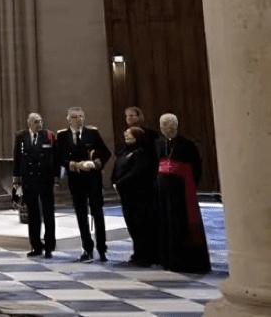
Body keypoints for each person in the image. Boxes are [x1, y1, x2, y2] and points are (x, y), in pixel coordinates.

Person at [155, 113, 211, 274]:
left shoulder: (187, 145)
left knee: (183, 224)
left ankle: (185, 261)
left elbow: (196, 169)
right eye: (165, 124)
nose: (169, 127)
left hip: (182, 194)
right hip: (164, 195)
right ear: (161, 127)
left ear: (177, 125)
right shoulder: (159, 144)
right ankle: (168, 260)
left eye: (172, 124)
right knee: (166, 225)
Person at [55, 106, 112, 262]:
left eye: (81, 117)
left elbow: (106, 152)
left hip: (93, 179)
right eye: (75, 117)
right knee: (81, 214)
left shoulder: (92, 133)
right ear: (68, 119)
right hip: (76, 180)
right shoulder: (62, 136)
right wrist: (74, 164)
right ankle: (87, 248)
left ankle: (102, 248)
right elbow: (58, 157)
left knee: (98, 213)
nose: (78, 120)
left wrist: (96, 163)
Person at [110, 127, 158, 266]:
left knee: (141, 224)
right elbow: (117, 167)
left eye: (130, 137)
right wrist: (114, 181)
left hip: (139, 194)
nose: (127, 139)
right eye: (126, 137)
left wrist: (120, 182)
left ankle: (147, 255)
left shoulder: (142, 153)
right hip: (126, 194)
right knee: (132, 225)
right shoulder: (124, 152)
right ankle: (138, 253)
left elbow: (137, 171)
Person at [12, 112, 57, 258]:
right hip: (29, 181)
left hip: (45, 180)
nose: (40, 124)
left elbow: (54, 157)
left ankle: (49, 245)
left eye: (41, 121)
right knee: (33, 214)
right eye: (36, 121)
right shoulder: (21, 136)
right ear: (29, 123)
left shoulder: (48, 135)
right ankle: (35, 245)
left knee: (48, 213)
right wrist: (16, 181)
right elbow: (17, 158)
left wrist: (56, 179)